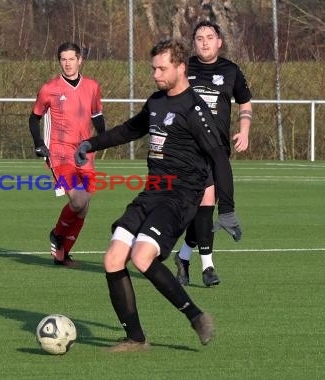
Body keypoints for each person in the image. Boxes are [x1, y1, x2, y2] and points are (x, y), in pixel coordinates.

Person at [74, 38, 239, 351]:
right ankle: (136, 338)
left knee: (141, 256)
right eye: (153, 68)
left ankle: (196, 316)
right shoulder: (157, 101)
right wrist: (90, 144)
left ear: (181, 68)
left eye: (162, 69)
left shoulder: (196, 110)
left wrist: (227, 208)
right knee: (112, 259)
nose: (156, 74)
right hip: (153, 192)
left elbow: (219, 158)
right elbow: (130, 129)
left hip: (180, 198)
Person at [174, 20, 251, 287]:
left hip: (217, 150)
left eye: (210, 37)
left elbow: (245, 101)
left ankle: (184, 258)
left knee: (204, 208)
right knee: (204, 206)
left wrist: (245, 129)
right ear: (193, 43)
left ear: (219, 41)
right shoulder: (184, 68)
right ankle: (208, 267)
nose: (204, 42)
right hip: (188, 149)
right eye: (199, 38)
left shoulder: (231, 71)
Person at [28, 42, 106, 267]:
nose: (68, 63)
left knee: (85, 206)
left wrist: (104, 138)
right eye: (63, 59)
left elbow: (97, 116)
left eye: (71, 59)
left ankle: (62, 255)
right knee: (78, 199)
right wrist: (38, 143)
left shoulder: (92, 86)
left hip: (85, 153)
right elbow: (34, 118)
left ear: (80, 60)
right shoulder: (49, 88)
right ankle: (57, 234)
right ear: (59, 61)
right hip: (60, 154)